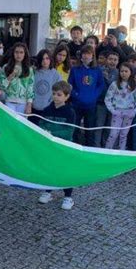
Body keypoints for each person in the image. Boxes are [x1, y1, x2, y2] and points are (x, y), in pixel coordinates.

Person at [37, 81, 76, 210]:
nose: (55, 97)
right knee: (49, 168)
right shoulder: (47, 109)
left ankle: (68, 197)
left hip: (63, 147)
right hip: (50, 147)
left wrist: (51, 133)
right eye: (54, 94)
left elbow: (69, 131)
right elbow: (42, 124)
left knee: (65, 170)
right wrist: (43, 131)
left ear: (66, 96)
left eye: (59, 95)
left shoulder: (70, 112)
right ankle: (48, 192)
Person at [68, 45, 104, 146]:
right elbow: (70, 85)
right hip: (77, 105)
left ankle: (89, 150)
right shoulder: (75, 70)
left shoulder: (97, 70)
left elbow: (101, 85)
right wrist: (76, 95)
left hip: (91, 106)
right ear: (81, 56)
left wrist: (94, 96)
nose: (86, 56)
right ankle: (74, 148)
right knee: (74, 128)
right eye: (84, 53)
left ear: (93, 56)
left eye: (88, 53)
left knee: (90, 130)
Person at [104, 63, 136, 150]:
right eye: (121, 71)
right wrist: (113, 110)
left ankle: (121, 153)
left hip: (129, 113)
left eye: (126, 71)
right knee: (113, 134)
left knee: (124, 135)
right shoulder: (114, 84)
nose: (123, 73)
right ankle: (106, 152)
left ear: (130, 72)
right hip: (117, 113)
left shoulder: (134, 85)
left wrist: (134, 111)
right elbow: (107, 98)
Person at [0, 43, 34, 114]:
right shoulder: (6, 67)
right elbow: (2, 86)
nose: (19, 55)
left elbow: (30, 87)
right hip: (9, 101)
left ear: (25, 54)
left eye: (21, 52)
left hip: (23, 103)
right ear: (13, 53)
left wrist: (29, 104)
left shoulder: (29, 69)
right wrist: (11, 75)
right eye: (16, 52)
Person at [94, 51, 119, 148]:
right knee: (98, 127)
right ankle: (96, 148)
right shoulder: (99, 71)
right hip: (101, 104)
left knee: (109, 128)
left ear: (118, 61)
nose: (112, 62)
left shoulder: (119, 73)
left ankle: (106, 148)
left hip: (113, 105)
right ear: (106, 60)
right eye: (110, 59)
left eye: (115, 60)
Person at [32, 49, 61, 119]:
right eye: (42, 59)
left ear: (50, 59)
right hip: (34, 107)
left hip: (48, 108)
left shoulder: (55, 74)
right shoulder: (34, 72)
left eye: (47, 58)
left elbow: (58, 91)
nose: (45, 61)